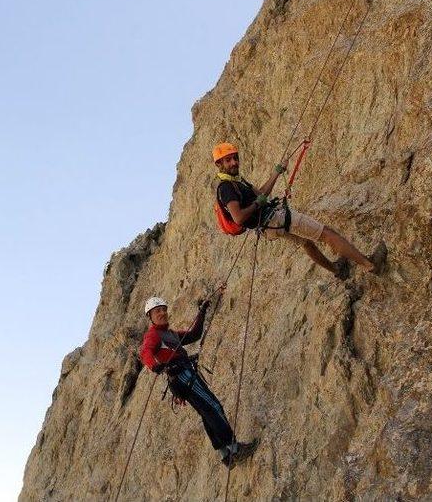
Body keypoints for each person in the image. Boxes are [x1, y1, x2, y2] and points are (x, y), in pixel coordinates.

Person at [212, 142, 386, 279]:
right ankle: (370, 265)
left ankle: (337, 270)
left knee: (306, 243)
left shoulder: (237, 180)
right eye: (228, 160)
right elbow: (239, 218)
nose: (234, 162)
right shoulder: (226, 187)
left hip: (269, 227)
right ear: (219, 164)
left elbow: (262, 193)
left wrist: (276, 173)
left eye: (235, 158)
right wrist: (258, 204)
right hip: (275, 219)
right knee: (326, 234)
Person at [139, 295, 258, 468]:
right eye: (157, 311)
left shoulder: (169, 334)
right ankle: (234, 449)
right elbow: (146, 353)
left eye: (164, 309)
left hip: (181, 378)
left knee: (206, 412)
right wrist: (155, 366)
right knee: (213, 406)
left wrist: (201, 312)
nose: (162, 313)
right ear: (150, 316)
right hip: (183, 376)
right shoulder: (153, 335)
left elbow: (194, 334)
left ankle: (224, 454)